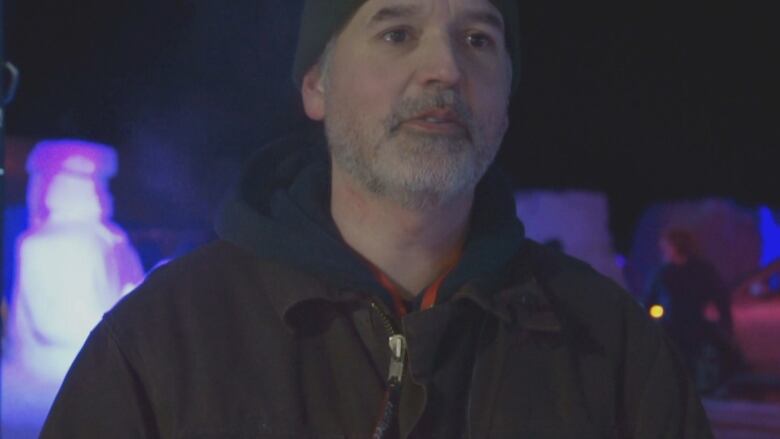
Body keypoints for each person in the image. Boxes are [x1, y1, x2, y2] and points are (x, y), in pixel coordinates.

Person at [41, 0, 712, 437]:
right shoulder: (162, 346)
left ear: (507, 96)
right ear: (316, 85)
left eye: (478, 38)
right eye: (397, 32)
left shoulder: (612, 347)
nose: (445, 68)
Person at [647, 228, 739, 393]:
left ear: (676, 246)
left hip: (694, 324)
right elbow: (651, 298)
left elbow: (719, 297)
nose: (664, 251)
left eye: (666, 246)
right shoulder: (664, 272)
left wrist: (725, 322)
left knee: (697, 359)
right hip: (671, 325)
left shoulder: (701, 270)